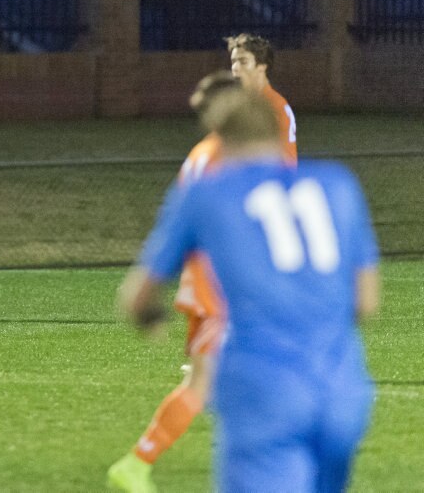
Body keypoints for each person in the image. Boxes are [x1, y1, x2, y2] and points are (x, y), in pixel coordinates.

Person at [118, 88, 380, 492]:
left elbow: (137, 296)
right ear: (279, 133)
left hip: (263, 386)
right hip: (343, 389)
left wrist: (150, 317)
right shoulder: (339, 185)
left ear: (220, 137)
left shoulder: (206, 194)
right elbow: (366, 301)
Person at [107, 71, 241, 493]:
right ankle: (136, 464)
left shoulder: (205, 151)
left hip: (205, 282)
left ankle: (136, 465)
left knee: (209, 384)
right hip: (223, 287)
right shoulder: (225, 155)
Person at [226, 33, 297, 164]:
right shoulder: (243, 103)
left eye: (243, 61)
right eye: (233, 61)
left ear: (262, 66)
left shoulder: (273, 106)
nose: (235, 68)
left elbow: (284, 161)